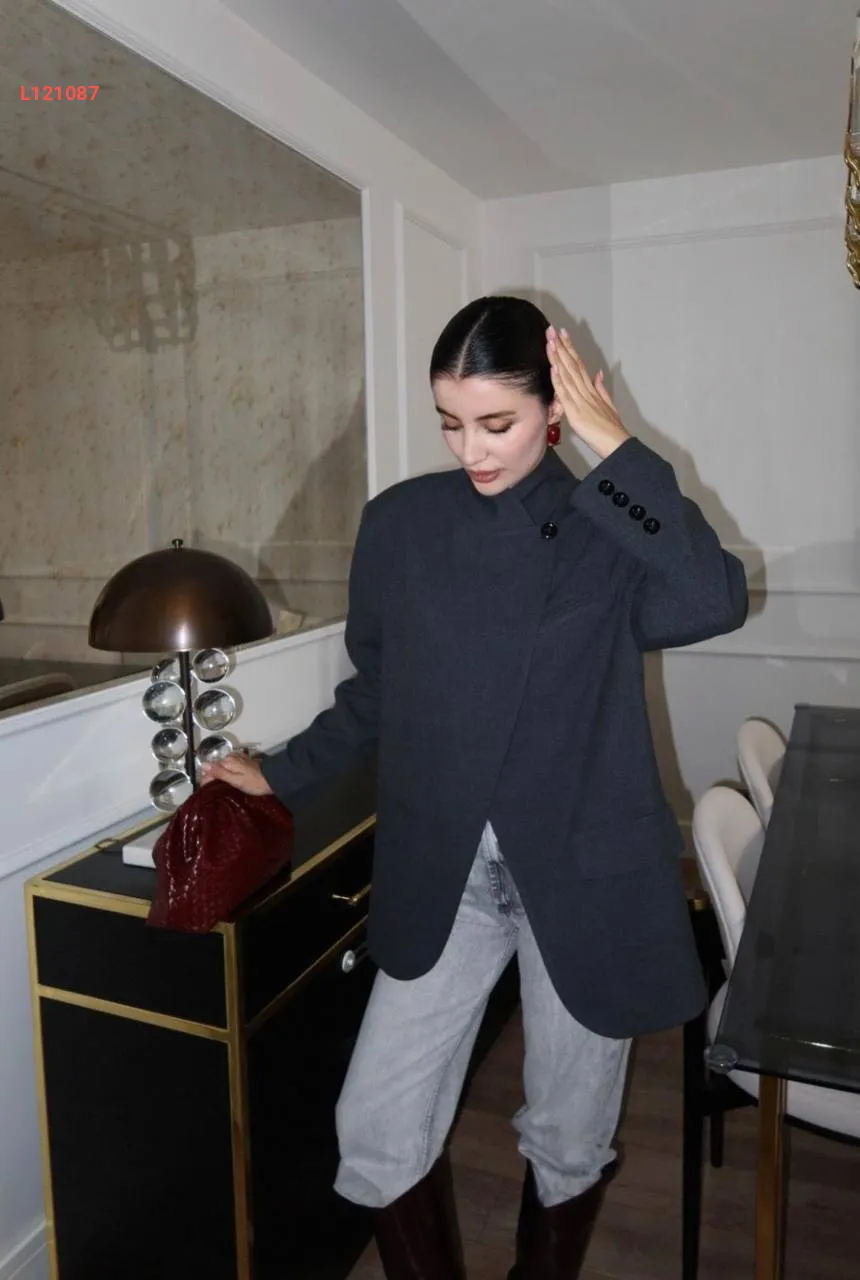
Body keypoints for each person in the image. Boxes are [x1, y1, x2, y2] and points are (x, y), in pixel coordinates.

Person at [203, 296, 748, 1279]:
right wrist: (277, 770)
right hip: (445, 867)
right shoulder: (401, 525)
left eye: (496, 422)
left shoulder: (605, 523)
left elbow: (712, 595)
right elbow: (376, 689)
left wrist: (615, 447)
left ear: (554, 409)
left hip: (579, 870)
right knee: (373, 1124)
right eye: (450, 422)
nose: (470, 449)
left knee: (569, 1134)